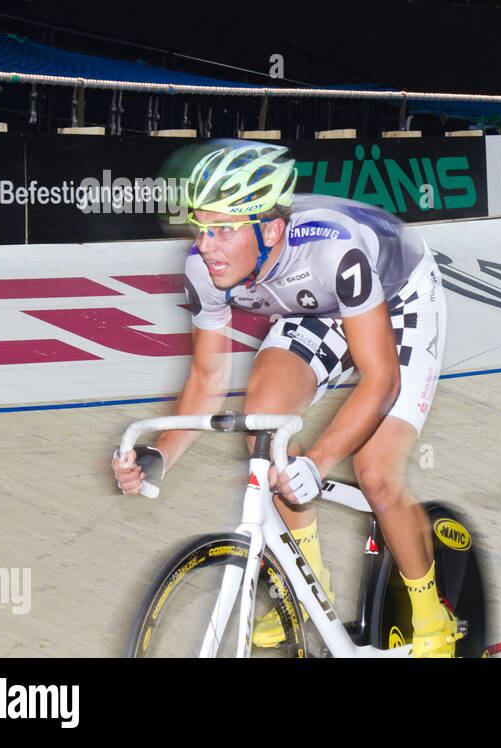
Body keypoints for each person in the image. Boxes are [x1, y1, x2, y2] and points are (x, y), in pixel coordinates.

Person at [110, 141, 459, 657]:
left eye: (224, 228)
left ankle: (433, 620)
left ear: (270, 229)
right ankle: (306, 577)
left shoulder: (334, 248)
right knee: (263, 430)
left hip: (396, 297)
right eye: (201, 228)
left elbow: (380, 377)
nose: (207, 245)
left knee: (376, 473)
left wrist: (317, 463)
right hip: (312, 307)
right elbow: (208, 378)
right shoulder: (205, 269)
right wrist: (159, 455)